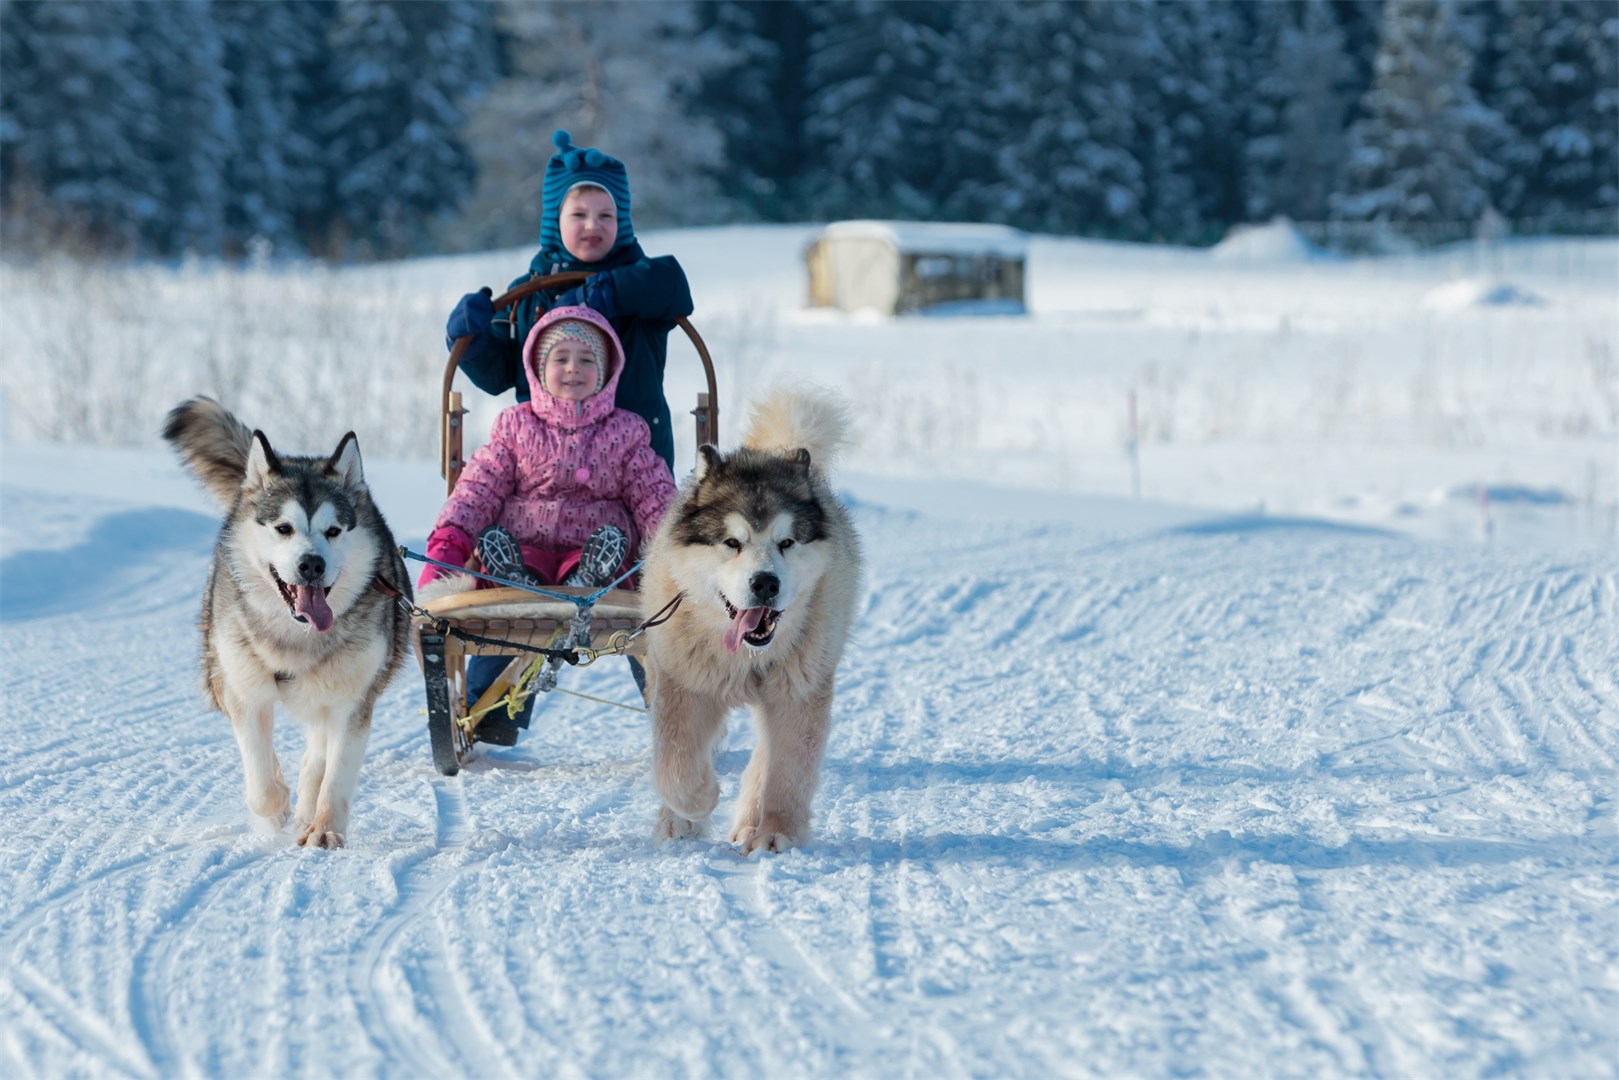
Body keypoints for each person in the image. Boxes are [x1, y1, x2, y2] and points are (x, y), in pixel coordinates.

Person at [419, 305, 677, 745]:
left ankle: (672, 707)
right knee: (506, 566)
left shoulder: (627, 432)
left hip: (596, 555)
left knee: (614, 553)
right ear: (539, 370)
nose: (573, 368)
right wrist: (450, 543)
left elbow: (653, 497)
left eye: (587, 359)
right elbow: (478, 489)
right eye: (560, 358)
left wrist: (675, 555)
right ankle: (490, 712)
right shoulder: (515, 427)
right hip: (526, 552)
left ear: (608, 371)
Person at [445, 130, 693, 470]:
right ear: (554, 222)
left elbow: (672, 285)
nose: (593, 225)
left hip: (636, 466)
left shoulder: (642, 281)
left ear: (621, 224)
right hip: (545, 468)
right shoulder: (529, 296)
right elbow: (499, 374)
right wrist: (473, 344)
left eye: (606, 215)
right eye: (579, 215)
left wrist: (605, 293)